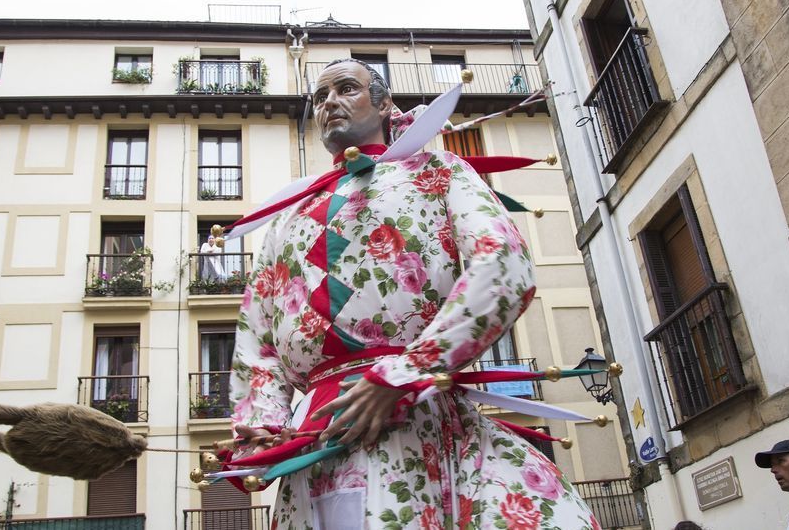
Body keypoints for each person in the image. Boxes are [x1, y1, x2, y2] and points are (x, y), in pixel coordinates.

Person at [228, 59, 600, 528]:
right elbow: (258, 336)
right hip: (315, 437)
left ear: (385, 104)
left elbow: (502, 260)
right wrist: (262, 428)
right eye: (319, 97)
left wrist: (404, 374)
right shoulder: (285, 216)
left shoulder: (440, 171)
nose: (329, 104)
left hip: (417, 413)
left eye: (346, 89)